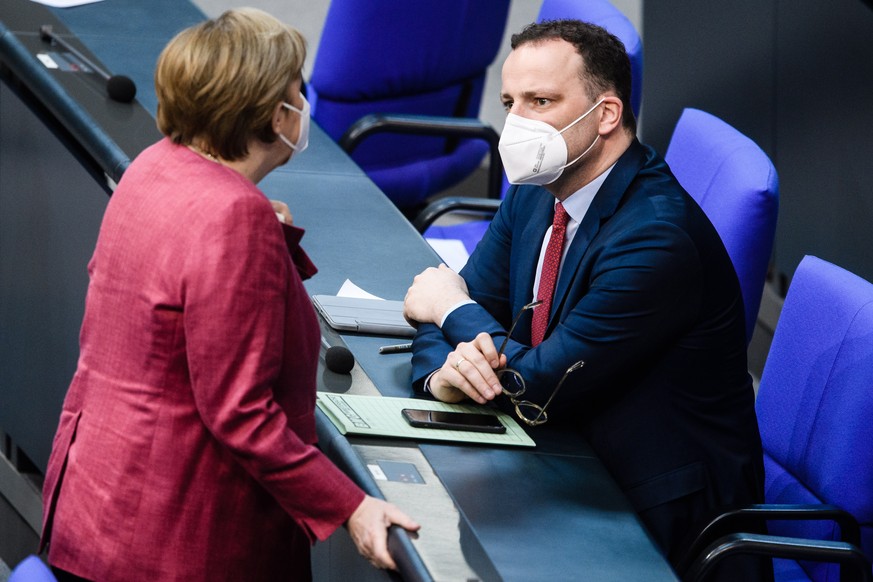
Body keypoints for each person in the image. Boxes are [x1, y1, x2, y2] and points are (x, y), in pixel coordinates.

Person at [40, 9, 418, 581]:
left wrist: (267, 236)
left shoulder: (156, 167)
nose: (304, 105)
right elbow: (240, 413)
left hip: (98, 504)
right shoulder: (232, 214)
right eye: (298, 90)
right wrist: (351, 506)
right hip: (177, 538)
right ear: (274, 115)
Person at [404, 19, 765, 574]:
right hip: (566, 453)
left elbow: (530, 381)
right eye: (509, 103)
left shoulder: (655, 238)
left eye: (541, 101)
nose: (517, 124)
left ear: (606, 115)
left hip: (651, 512)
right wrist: (442, 376)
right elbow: (455, 313)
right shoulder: (537, 191)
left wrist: (452, 312)